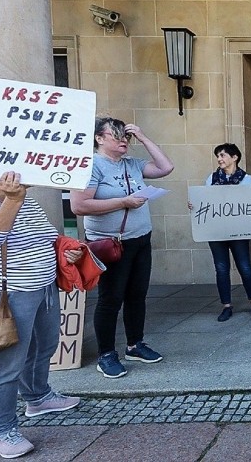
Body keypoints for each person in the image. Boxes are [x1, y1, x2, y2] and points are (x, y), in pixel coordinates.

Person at [0, 171, 80, 459]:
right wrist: (12, 199)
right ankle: (1, 432)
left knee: (44, 346)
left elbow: (50, 237)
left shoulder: (29, 202)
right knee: (5, 365)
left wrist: (67, 253)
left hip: (42, 286)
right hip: (4, 295)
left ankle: (38, 397)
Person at [70, 117, 174, 378]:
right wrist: (123, 202)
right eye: (116, 135)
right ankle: (106, 354)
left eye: (125, 136)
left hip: (140, 239)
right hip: (110, 243)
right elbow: (79, 206)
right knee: (110, 299)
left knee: (137, 295)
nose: (123, 140)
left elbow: (165, 167)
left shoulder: (133, 164)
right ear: (99, 138)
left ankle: (135, 344)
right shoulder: (91, 166)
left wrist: (143, 137)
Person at [190, 143, 251, 322]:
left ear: (234, 157)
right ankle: (226, 306)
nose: (219, 159)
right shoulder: (212, 178)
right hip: (216, 232)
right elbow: (205, 201)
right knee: (221, 269)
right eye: (218, 156)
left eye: (222, 155)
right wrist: (194, 205)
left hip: (239, 232)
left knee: (245, 267)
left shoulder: (246, 180)